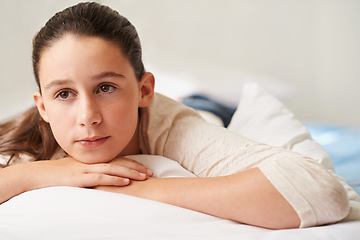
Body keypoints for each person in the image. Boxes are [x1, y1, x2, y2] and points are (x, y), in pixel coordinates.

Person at [0, 2, 350, 229]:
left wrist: (143, 189)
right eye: (64, 94)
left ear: (144, 90)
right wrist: (44, 173)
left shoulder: (175, 128)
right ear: (43, 106)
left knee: (207, 106)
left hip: (205, 112)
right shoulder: (27, 141)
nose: (87, 116)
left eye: (106, 87)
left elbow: (322, 192)